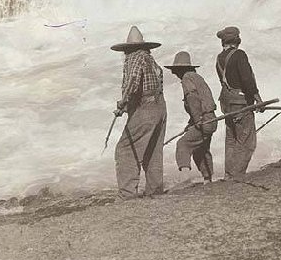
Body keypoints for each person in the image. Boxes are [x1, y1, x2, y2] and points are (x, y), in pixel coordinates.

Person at [111, 26, 167, 199]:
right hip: (160, 107)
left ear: (128, 48)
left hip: (145, 109)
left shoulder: (134, 58)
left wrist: (123, 103)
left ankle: (127, 195)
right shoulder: (150, 60)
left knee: (125, 149)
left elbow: (133, 81)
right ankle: (155, 190)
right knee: (153, 150)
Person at [215, 26, 263, 180]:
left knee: (231, 139)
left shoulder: (219, 58)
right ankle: (238, 174)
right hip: (241, 103)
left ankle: (229, 173)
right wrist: (257, 98)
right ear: (237, 41)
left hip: (227, 103)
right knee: (247, 141)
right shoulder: (239, 55)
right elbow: (247, 79)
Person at [165, 51, 217, 183]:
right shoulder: (197, 77)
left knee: (183, 144)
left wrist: (198, 120)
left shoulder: (187, 78)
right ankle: (208, 179)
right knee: (201, 149)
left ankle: (184, 179)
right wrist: (192, 123)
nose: (174, 73)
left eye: (175, 70)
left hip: (204, 120)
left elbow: (193, 100)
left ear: (180, 69)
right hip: (211, 119)